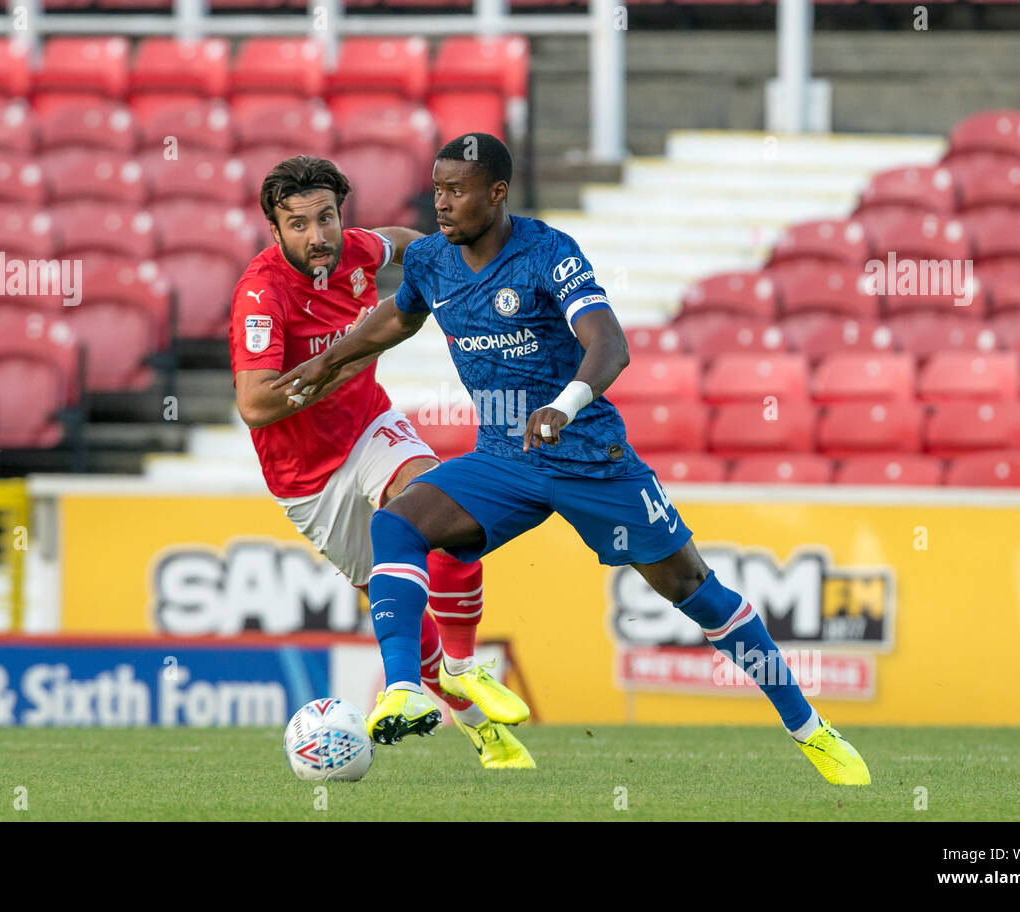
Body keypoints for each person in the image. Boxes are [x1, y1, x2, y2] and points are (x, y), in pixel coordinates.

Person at [274, 134, 871, 786]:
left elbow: (609, 344)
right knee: (397, 524)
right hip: (504, 458)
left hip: (590, 457)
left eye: (456, 191)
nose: (439, 204)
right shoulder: (433, 263)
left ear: (496, 193)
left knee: (695, 592)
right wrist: (328, 362)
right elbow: (396, 319)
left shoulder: (546, 253)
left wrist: (565, 403)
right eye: (436, 189)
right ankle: (411, 686)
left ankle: (810, 728)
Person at [230, 153, 534, 769]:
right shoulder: (261, 294)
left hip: (371, 426)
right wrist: (338, 364)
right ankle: (472, 719)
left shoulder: (355, 249)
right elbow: (256, 406)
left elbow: (400, 243)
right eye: (298, 224)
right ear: (275, 230)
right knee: (402, 609)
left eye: (327, 218)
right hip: (307, 480)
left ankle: (464, 667)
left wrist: (445, 264)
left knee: (438, 508)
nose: (317, 236)